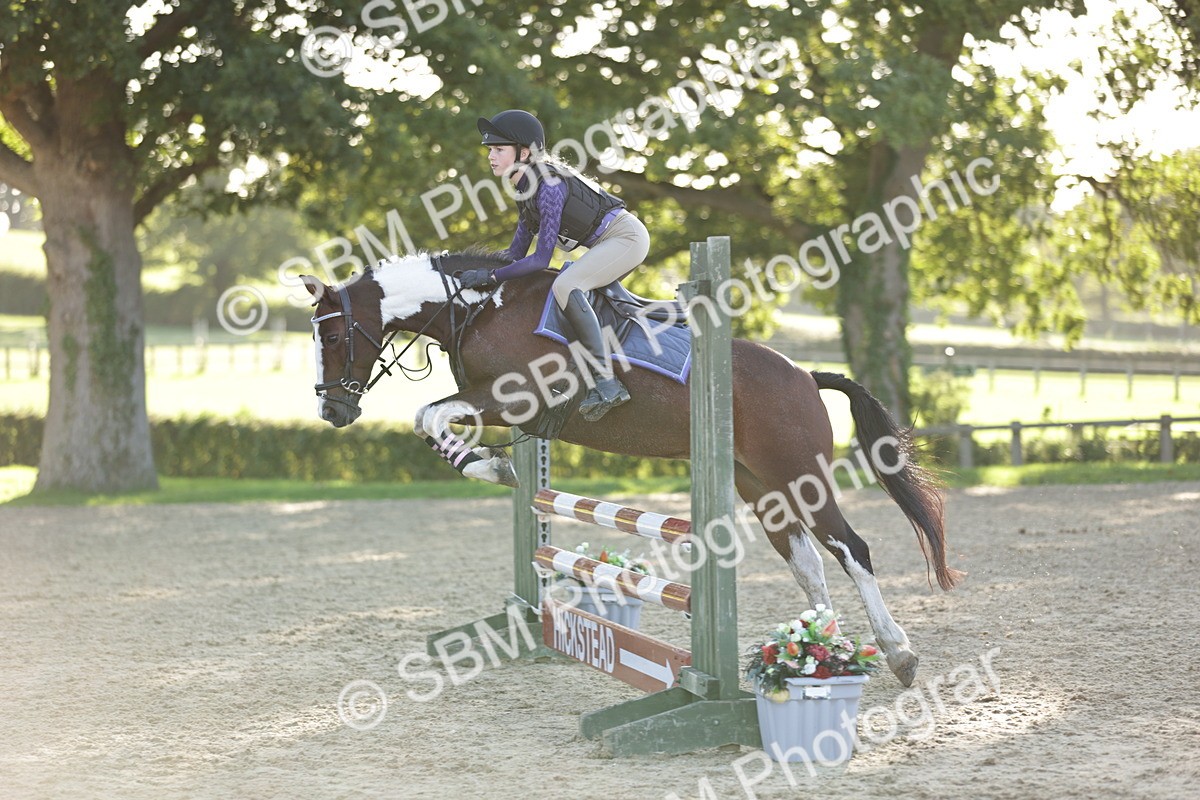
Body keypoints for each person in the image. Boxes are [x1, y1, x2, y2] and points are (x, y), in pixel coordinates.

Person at [457, 109, 651, 423]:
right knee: (562, 286)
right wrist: (468, 273)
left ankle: (607, 382)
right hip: (606, 243)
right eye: (490, 150)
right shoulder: (525, 188)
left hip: (626, 238)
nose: (490, 156)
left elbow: (539, 260)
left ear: (524, 152)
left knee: (566, 285)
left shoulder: (547, 185)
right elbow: (515, 254)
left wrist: (490, 275)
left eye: (498, 149)